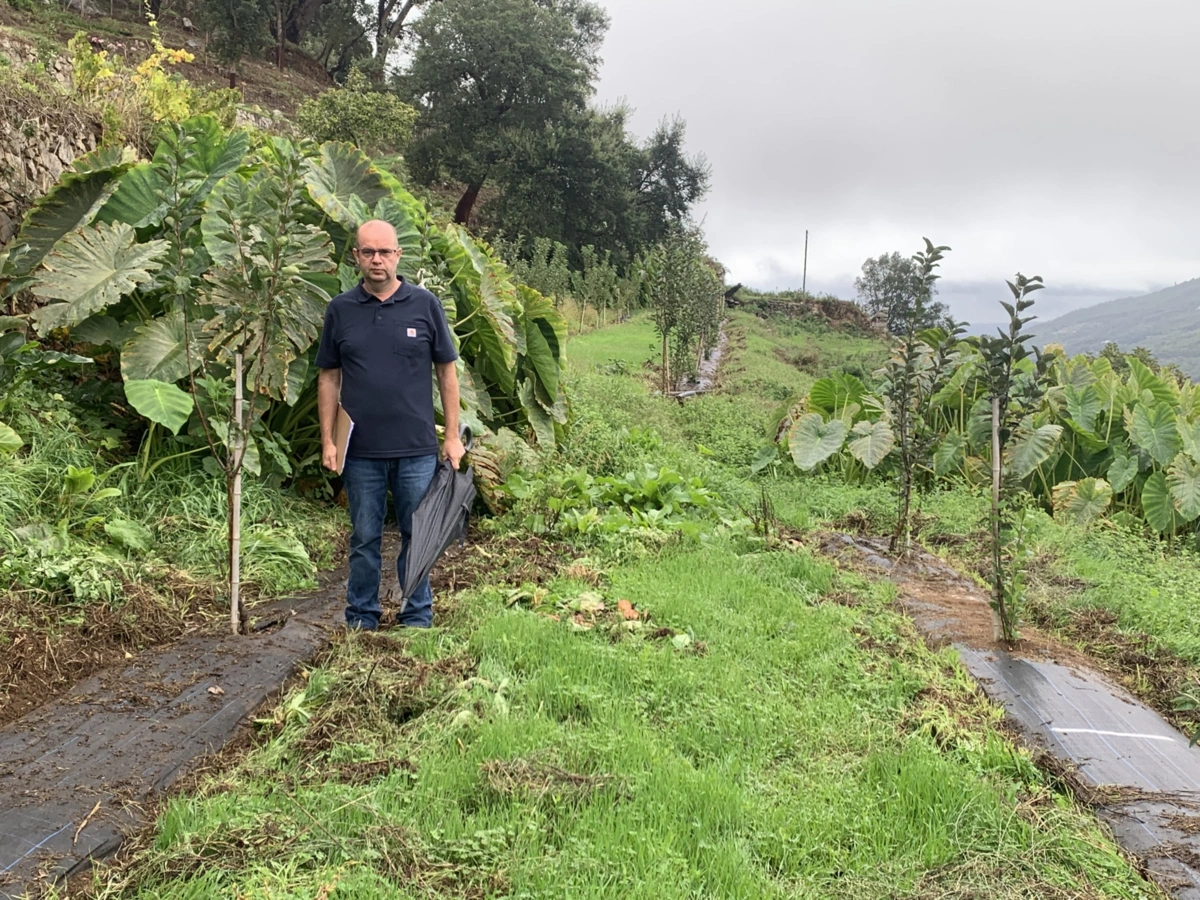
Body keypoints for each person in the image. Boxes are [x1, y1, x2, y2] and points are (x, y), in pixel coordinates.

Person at [316, 219, 465, 630]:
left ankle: (416, 614)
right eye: (368, 252)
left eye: (384, 252)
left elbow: (446, 373)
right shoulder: (341, 310)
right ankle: (362, 615)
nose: (376, 259)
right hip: (360, 450)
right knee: (364, 539)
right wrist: (328, 440)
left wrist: (452, 437)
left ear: (399, 255)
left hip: (416, 447)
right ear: (357, 257)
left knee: (418, 535)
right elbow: (329, 377)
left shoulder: (424, 305)